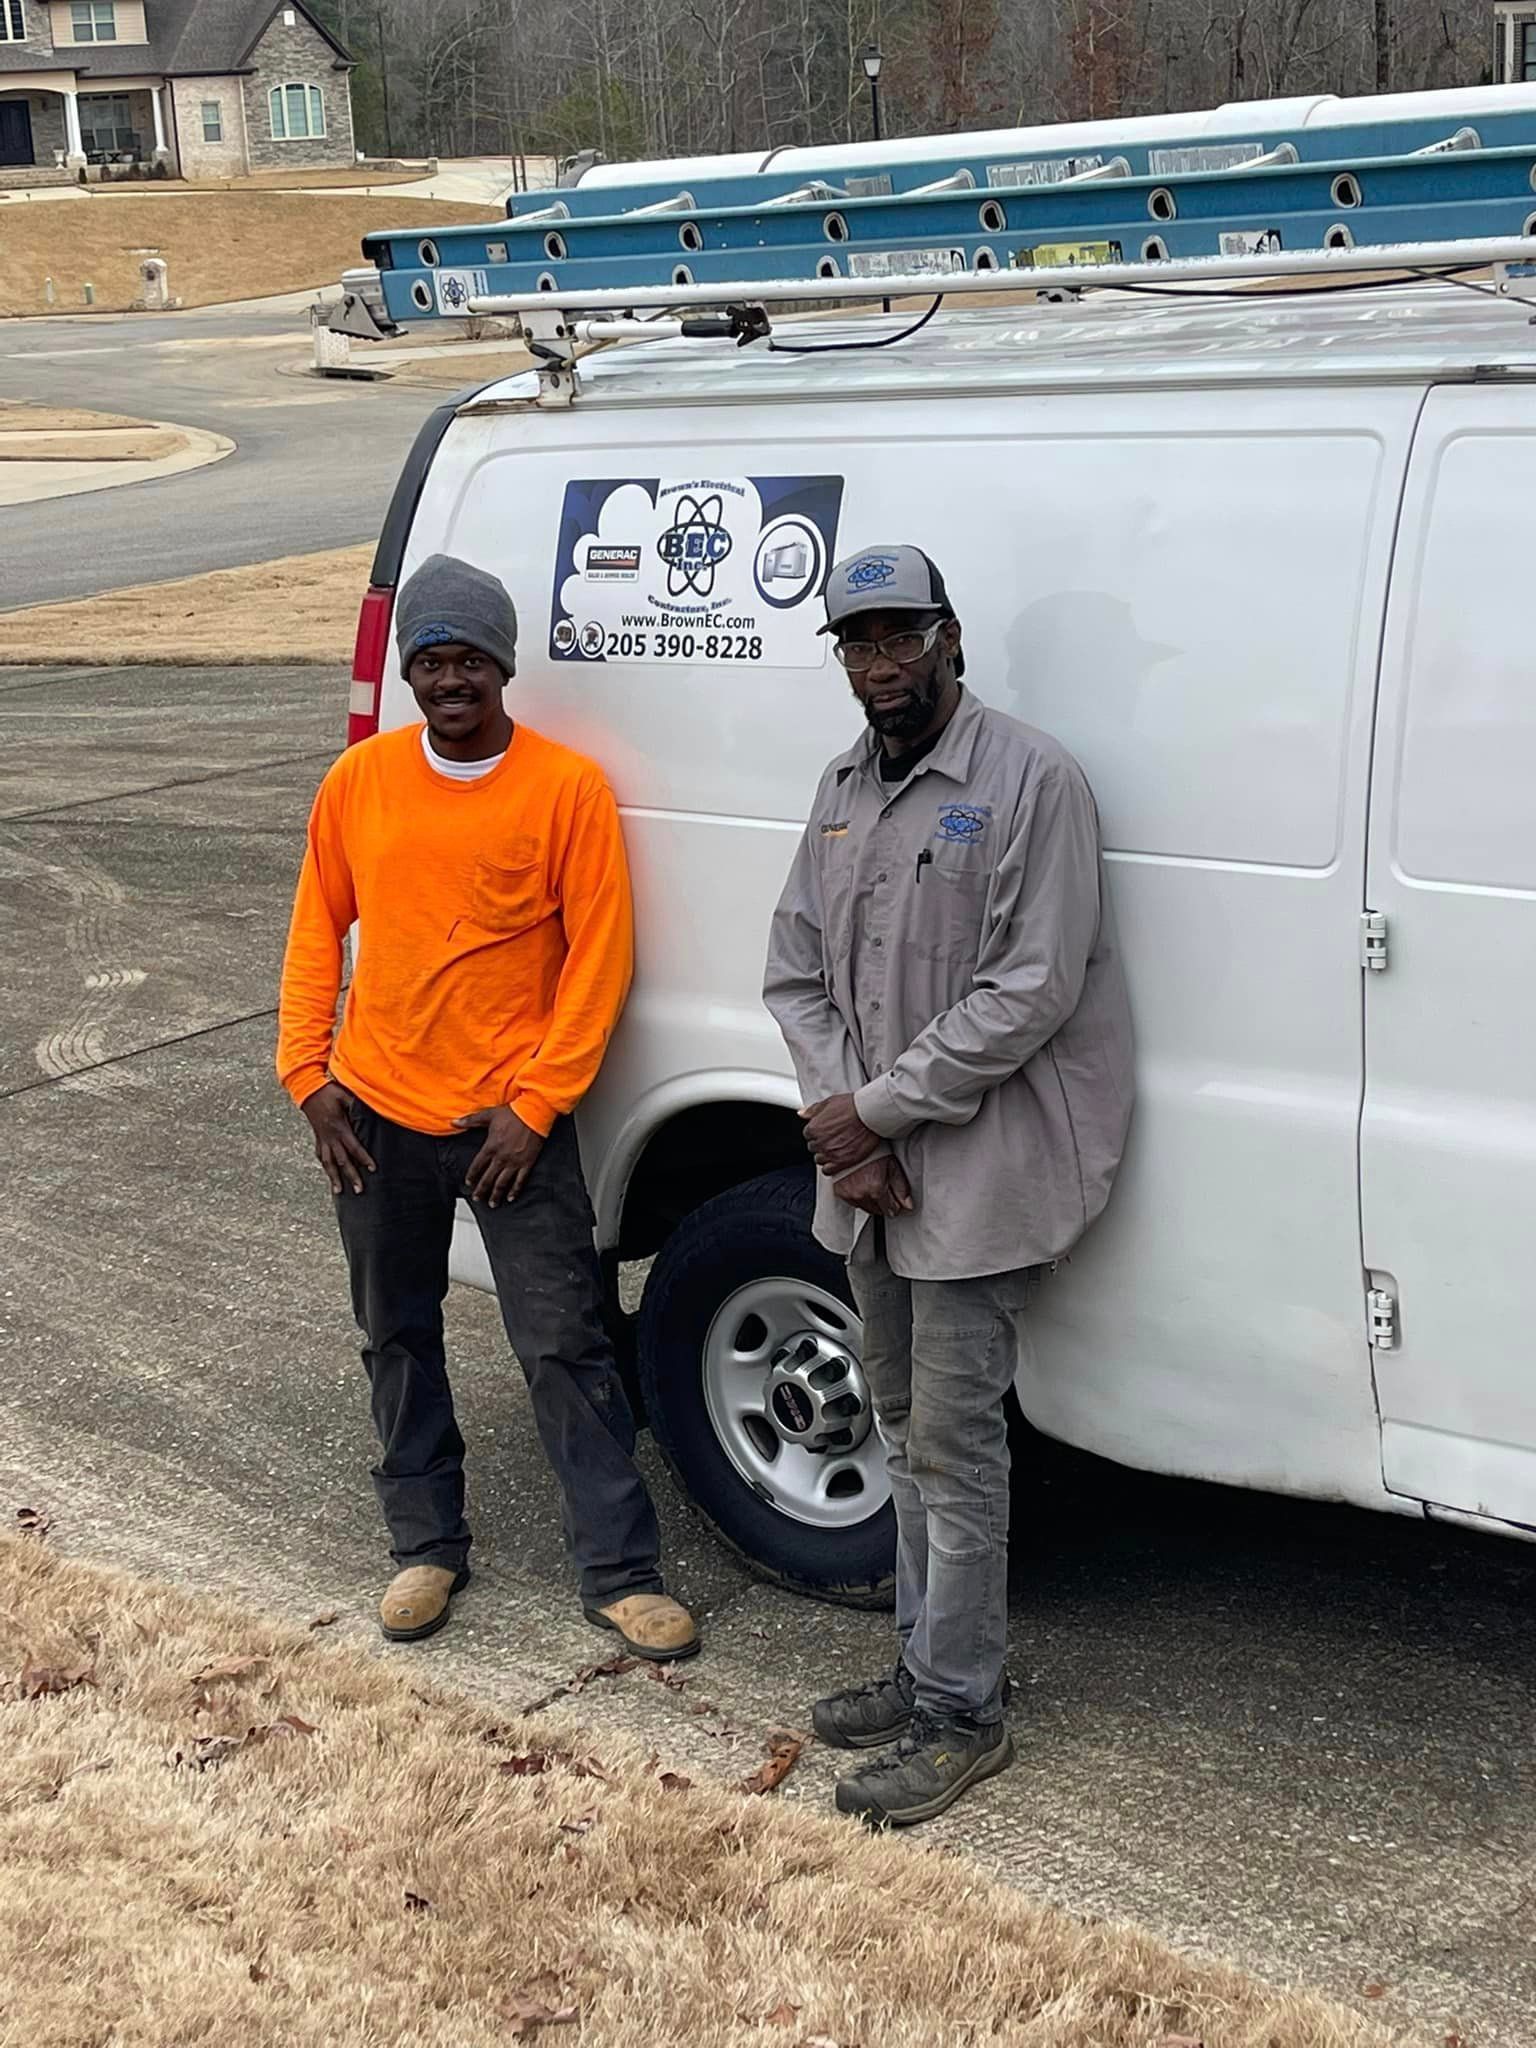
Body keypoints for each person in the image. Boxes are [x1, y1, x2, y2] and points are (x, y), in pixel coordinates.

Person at [763, 545, 1133, 1824]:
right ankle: (926, 1667)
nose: (878, 667)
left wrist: (870, 1114)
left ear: (949, 636)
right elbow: (796, 973)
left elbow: (1031, 988)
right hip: (872, 1175)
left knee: (958, 1448)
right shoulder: (839, 789)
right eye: (857, 645)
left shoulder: (1033, 781)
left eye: (898, 639)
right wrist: (844, 1125)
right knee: (906, 1426)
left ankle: (965, 1711)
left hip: (973, 1174)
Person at [277, 553, 697, 1663]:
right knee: (398, 1335)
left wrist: (538, 1104)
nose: (449, 677)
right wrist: (308, 1080)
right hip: (373, 1111)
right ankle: (427, 1542)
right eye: (430, 657)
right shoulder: (359, 782)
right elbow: (317, 930)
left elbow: (601, 961)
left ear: (502, 665)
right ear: (409, 667)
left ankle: (619, 1570)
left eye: (469, 657)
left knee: (563, 1342)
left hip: (512, 1127)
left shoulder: (564, 789)